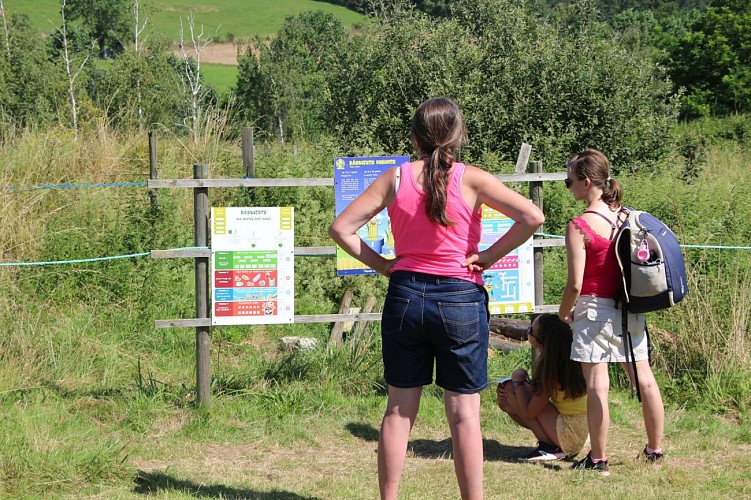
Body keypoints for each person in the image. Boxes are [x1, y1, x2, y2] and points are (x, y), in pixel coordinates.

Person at [329, 97, 544, 500]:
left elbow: (341, 228)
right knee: (464, 415)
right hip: (461, 297)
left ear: (414, 139)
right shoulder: (474, 179)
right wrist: (489, 257)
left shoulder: (395, 179)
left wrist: (387, 266)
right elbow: (533, 216)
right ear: (458, 137)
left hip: (406, 296)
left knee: (398, 410)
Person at [558, 149, 665, 476]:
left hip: (593, 309)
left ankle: (599, 459)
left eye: (569, 181)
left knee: (598, 385)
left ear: (586, 182)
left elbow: (575, 284)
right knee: (644, 378)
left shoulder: (579, 225)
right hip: (630, 307)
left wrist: (564, 313)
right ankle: (655, 450)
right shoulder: (628, 217)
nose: (568, 187)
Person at [496, 313, 588, 462]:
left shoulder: (552, 371)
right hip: (578, 432)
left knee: (511, 391)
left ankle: (549, 447)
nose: (528, 332)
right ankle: (550, 445)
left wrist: (517, 380)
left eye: (531, 331)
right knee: (510, 393)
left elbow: (528, 412)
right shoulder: (568, 359)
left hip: (569, 436)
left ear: (541, 344)